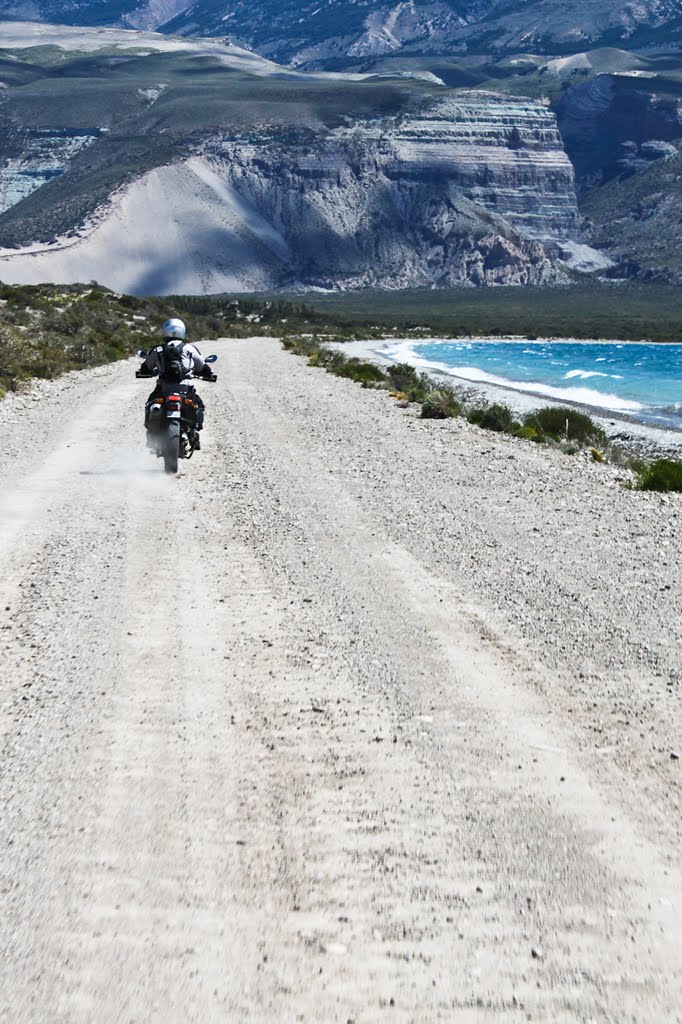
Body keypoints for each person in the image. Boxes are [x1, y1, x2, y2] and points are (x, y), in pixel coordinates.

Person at [141, 317, 216, 449]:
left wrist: (144, 372)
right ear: (182, 331)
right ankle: (194, 434)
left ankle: (152, 436)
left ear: (165, 331)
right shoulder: (189, 348)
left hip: (163, 389)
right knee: (199, 406)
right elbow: (202, 366)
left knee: (150, 404)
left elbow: (146, 367)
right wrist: (208, 374)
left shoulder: (158, 350)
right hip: (185, 390)